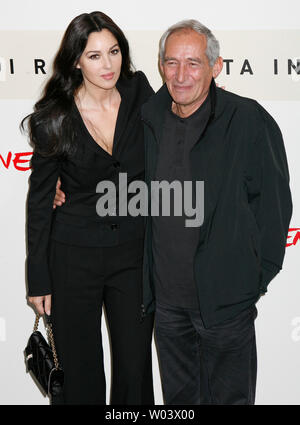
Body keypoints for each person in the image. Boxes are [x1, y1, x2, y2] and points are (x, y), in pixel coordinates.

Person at [140, 20, 292, 404]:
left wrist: (251, 280)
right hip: (168, 307)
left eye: (193, 63)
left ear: (216, 66)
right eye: (171, 63)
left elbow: (274, 206)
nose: (181, 74)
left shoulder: (247, 120)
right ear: (161, 66)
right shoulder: (146, 119)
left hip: (226, 305)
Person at [22, 11, 154, 405]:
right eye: (94, 55)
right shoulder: (54, 117)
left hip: (134, 255)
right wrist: (38, 278)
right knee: (80, 375)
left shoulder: (141, 93)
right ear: (76, 60)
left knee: (135, 371)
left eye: (113, 51)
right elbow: (41, 199)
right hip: (72, 257)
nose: (108, 64)